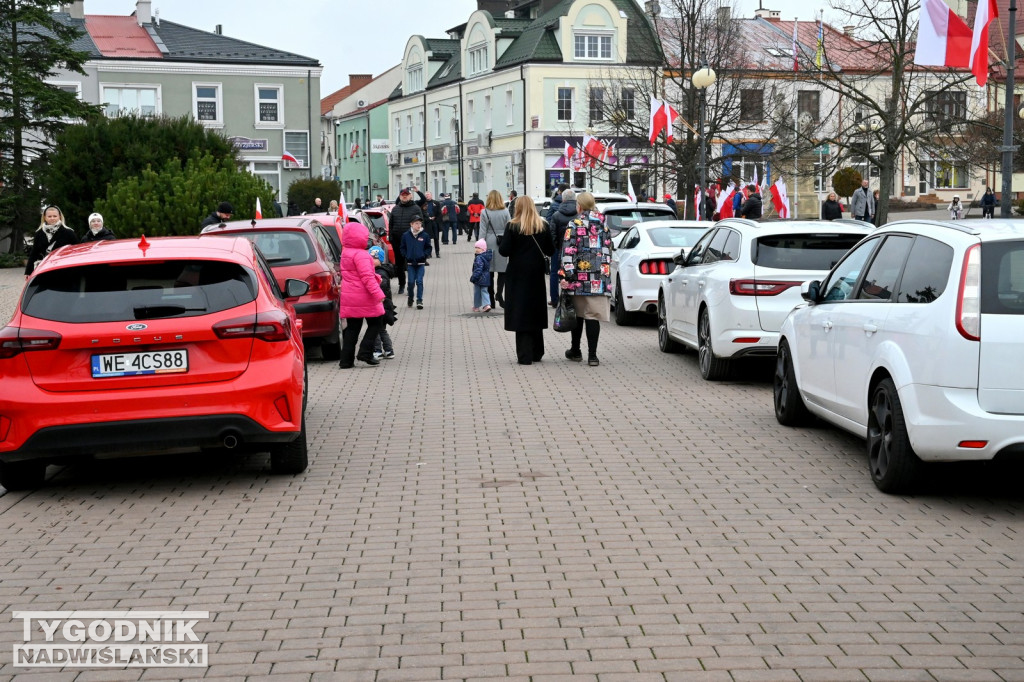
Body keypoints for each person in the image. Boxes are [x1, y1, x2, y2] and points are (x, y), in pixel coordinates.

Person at [557, 191, 612, 367]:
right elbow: (608, 250)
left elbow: (567, 251)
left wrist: (566, 274)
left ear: (579, 206)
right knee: (592, 316)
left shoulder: (574, 223)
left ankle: (576, 350)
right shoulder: (604, 224)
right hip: (598, 278)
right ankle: (593, 356)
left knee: (578, 315)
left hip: (578, 278)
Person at [499, 196, 555, 365]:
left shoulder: (512, 226)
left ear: (517, 207)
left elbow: (504, 251)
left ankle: (524, 354)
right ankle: (537, 351)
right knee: (535, 308)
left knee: (520, 310)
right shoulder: (542, 225)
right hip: (536, 273)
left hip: (517, 273)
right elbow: (551, 250)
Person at [337, 221, 385, 369]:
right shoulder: (361, 255)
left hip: (349, 295)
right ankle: (365, 352)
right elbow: (367, 277)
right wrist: (379, 294)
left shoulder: (346, 253)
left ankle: (346, 361)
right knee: (376, 322)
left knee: (352, 328)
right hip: (364, 295)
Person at [389, 187, 425, 294]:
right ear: (400, 197)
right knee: (399, 265)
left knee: (411, 264)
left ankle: (411, 285)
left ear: (410, 196)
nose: (404, 197)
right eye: (402, 195)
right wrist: (391, 237)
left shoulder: (416, 208)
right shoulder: (395, 209)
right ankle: (401, 285)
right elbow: (391, 224)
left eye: (406, 195)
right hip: (397, 241)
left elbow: (421, 225)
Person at [25, 205, 79, 276]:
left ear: (59, 216)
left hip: (64, 269)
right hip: (45, 269)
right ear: (45, 218)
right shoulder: (39, 233)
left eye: (55, 216)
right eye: (49, 216)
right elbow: (34, 253)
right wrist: (28, 272)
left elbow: (77, 252)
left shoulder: (69, 232)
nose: (52, 218)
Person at [480, 189, 510, 308]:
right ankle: (500, 294)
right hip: (502, 241)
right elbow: (509, 227)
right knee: (503, 271)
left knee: (489, 271)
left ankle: (491, 298)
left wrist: (480, 245)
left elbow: (482, 230)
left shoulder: (484, 212)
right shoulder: (505, 211)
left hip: (489, 241)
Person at [548, 189, 578, 306]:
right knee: (574, 272)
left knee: (554, 273)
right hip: (575, 250)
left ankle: (555, 300)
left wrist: (556, 248)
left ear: (563, 199)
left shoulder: (556, 215)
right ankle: (572, 298)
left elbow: (552, 234)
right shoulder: (578, 214)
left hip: (558, 249)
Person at [368, 245, 397, 361]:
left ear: (380, 259)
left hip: (382, 305)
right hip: (382, 304)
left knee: (376, 329)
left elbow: (382, 287)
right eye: (370, 258)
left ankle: (379, 350)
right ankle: (388, 350)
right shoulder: (378, 271)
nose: (371, 260)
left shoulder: (381, 273)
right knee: (380, 329)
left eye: (374, 258)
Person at [399, 215, 431, 309]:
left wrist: (424, 255)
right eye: (416, 223)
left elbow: (428, 247)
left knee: (419, 281)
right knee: (411, 282)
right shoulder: (406, 235)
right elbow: (402, 247)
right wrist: (406, 255)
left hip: (420, 263)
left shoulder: (424, 235)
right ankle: (411, 297)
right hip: (410, 263)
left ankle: (419, 300)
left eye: (420, 223)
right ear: (411, 224)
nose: (418, 225)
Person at [470, 239, 493, 313]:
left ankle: (476, 306)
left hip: (478, 278)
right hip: (486, 278)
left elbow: (478, 269)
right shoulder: (487, 256)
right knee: (484, 291)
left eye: (478, 248)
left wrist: (474, 277)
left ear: (483, 249)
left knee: (477, 292)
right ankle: (487, 305)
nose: (476, 249)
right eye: (476, 247)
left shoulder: (479, 258)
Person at [422, 191, 442, 258]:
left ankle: (437, 252)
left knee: (436, 238)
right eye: (426, 195)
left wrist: (435, 217)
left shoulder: (436, 203)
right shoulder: (423, 203)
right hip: (427, 223)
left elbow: (439, 213)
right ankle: (429, 253)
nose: (427, 196)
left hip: (434, 222)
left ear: (431, 195)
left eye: (428, 195)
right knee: (428, 239)